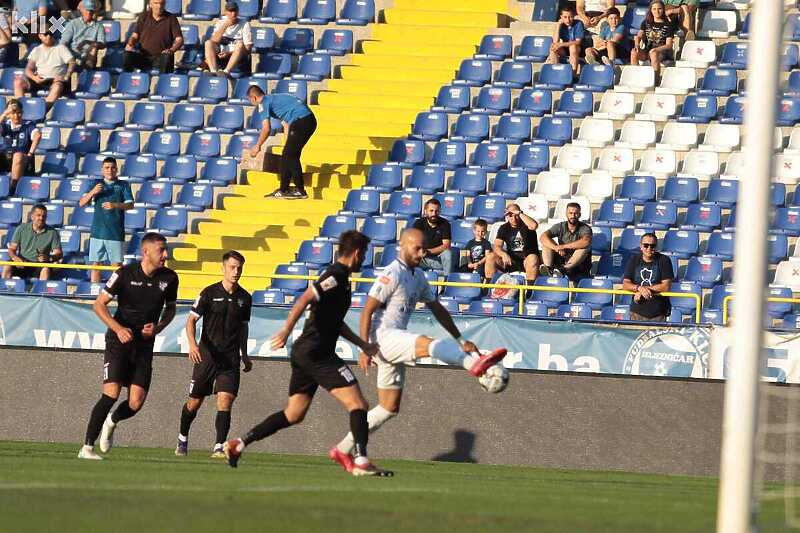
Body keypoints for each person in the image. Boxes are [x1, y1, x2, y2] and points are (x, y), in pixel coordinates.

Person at [328, 228, 507, 473]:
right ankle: (472, 365)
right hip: (384, 338)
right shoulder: (392, 273)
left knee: (388, 408)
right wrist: (364, 347)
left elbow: (437, 309)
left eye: (424, 249)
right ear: (403, 246)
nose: (422, 253)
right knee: (428, 343)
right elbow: (368, 310)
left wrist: (460, 339)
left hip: (392, 342)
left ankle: (342, 448)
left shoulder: (418, 276)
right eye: (418, 249)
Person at [224, 231, 391, 477]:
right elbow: (304, 298)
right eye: (364, 254)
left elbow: (335, 323)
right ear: (356, 253)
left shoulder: (343, 280)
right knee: (359, 404)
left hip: (307, 353)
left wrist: (362, 344)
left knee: (294, 414)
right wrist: (285, 329)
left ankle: (239, 443)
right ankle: (362, 460)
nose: (363, 260)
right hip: (317, 353)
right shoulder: (335, 276)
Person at [78, 232, 179, 460]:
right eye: (161, 250)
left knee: (135, 402)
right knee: (111, 393)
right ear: (146, 252)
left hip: (144, 345)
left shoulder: (170, 278)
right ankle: (86, 448)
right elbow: (99, 305)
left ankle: (112, 421)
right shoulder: (124, 273)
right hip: (118, 341)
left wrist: (159, 327)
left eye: (165, 250)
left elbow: (171, 310)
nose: (166, 254)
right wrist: (118, 328)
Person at [176, 250, 253, 458]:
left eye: (239, 268)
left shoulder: (245, 298)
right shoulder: (209, 293)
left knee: (225, 400)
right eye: (232, 267)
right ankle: (182, 438)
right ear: (223, 268)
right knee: (194, 403)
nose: (236, 271)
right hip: (206, 357)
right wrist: (192, 345)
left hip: (230, 359)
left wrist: (244, 354)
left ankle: (219, 445)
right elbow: (191, 320)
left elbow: (243, 328)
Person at [247, 85, 317, 200]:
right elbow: (286, 125)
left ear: (254, 98)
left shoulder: (263, 103)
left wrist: (258, 145)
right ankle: (284, 189)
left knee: (290, 155)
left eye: (250, 100)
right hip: (309, 120)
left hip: (301, 121)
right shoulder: (275, 99)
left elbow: (266, 129)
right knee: (288, 154)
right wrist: (287, 143)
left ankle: (300, 190)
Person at [78, 157, 133, 284]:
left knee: (116, 266)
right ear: (102, 169)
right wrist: (93, 192)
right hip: (98, 232)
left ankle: (115, 293)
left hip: (115, 233)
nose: (110, 170)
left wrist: (115, 205)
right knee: (96, 265)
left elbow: (130, 205)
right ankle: (94, 294)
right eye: (107, 168)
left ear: (117, 169)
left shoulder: (123, 185)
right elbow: (81, 203)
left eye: (113, 167)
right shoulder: (95, 184)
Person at [14, 29, 75, 106]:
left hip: (56, 80)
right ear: (40, 36)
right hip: (40, 79)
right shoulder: (37, 50)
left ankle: (40, 112)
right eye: (45, 34)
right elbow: (28, 69)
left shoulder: (61, 48)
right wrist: (34, 78)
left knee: (57, 86)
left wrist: (66, 76)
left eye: (50, 34)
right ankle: (20, 109)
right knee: (18, 82)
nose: (49, 36)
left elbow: (72, 62)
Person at [622, 233, 674, 322]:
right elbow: (626, 284)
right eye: (646, 245)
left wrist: (642, 291)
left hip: (658, 313)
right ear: (641, 246)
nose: (649, 248)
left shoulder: (664, 260)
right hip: (637, 312)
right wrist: (639, 288)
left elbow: (666, 286)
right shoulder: (634, 260)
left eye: (652, 246)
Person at [2, 204, 62, 280]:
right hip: (23, 263)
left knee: (45, 269)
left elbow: (59, 254)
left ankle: (41, 291)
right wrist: (15, 258)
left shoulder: (53, 232)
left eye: (44, 216)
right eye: (39, 215)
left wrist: (49, 258)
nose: (41, 218)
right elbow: (11, 249)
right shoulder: (21, 229)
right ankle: (3, 290)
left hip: (40, 265)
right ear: (32, 216)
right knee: (8, 265)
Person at [484, 203, 540, 285]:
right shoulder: (504, 228)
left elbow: (534, 225)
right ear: (507, 216)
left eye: (516, 215)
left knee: (533, 258)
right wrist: (503, 254)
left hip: (526, 260)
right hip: (511, 260)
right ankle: (489, 288)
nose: (514, 218)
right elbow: (497, 246)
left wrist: (520, 213)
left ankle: (530, 292)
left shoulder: (526, 225)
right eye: (510, 215)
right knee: (490, 257)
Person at [123, 0, 183, 74]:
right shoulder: (143, 16)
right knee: (127, 54)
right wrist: (130, 44)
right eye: (156, 3)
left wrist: (171, 50)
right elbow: (135, 35)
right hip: (143, 56)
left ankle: (163, 83)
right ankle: (126, 80)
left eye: (162, 3)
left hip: (161, 57)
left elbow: (179, 39)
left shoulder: (171, 18)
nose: (159, 6)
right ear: (150, 4)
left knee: (167, 57)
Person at [539, 202, 593, 283]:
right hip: (562, 258)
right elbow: (543, 237)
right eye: (570, 213)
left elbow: (586, 241)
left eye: (576, 213)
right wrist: (556, 247)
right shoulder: (560, 226)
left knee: (584, 248)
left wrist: (563, 247)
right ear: (566, 214)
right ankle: (548, 269)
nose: (573, 216)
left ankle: (564, 270)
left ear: (580, 215)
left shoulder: (585, 228)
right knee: (547, 244)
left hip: (578, 264)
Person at [0, 99, 41, 193]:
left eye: (19, 113)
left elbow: (37, 135)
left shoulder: (29, 125)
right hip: (5, 158)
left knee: (18, 156)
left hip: (22, 159)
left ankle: (13, 189)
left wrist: (30, 154)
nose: (16, 116)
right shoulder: (5, 124)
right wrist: (4, 114)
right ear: (9, 114)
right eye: (13, 113)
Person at [203, 2, 252, 76]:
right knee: (208, 43)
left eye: (235, 11)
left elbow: (248, 49)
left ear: (238, 11)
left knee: (240, 44)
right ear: (226, 12)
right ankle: (213, 71)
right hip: (220, 54)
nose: (233, 14)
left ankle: (226, 71)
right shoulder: (220, 22)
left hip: (237, 57)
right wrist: (225, 25)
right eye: (230, 11)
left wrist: (229, 53)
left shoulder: (245, 24)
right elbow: (214, 41)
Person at [631, 0, 676, 77]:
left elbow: (669, 45)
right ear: (651, 10)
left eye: (659, 9)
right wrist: (637, 46)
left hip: (663, 52)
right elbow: (638, 36)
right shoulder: (646, 22)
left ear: (663, 9)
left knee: (653, 53)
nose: (657, 11)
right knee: (634, 52)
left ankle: (655, 79)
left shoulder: (668, 25)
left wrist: (656, 50)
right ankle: (636, 76)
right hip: (648, 50)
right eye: (654, 9)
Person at [59, 0, 106, 69]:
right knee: (62, 47)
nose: (89, 12)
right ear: (82, 10)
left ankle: (88, 71)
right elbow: (63, 42)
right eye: (87, 10)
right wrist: (69, 56)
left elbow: (102, 44)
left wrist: (88, 42)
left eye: (91, 10)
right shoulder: (73, 24)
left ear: (94, 12)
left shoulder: (99, 26)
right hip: (72, 54)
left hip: (89, 55)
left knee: (94, 47)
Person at [412, 198, 453, 275]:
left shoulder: (445, 224)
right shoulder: (419, 223)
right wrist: (421, 251)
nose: (434, 213)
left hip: (439, 260)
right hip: (422, 259)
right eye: (431, 211)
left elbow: (446, 245)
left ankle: (447, 282)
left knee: (447, 253)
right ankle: (411, 281)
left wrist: (428, 251)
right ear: (425, 211)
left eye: (436, 211)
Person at [547, 6, 585, 77]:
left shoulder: (578, 23)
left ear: (574, 16)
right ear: (561, 17)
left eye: (570, 17)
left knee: (573, 47)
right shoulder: (561, 25)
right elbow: (555, 41)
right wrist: (558, 25)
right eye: (565, 17)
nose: (568, 20)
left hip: (578, 49)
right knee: (553, 47)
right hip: (565, 49)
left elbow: (578, 42)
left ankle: (573, 75)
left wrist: (561, 44)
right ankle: (555, 73)